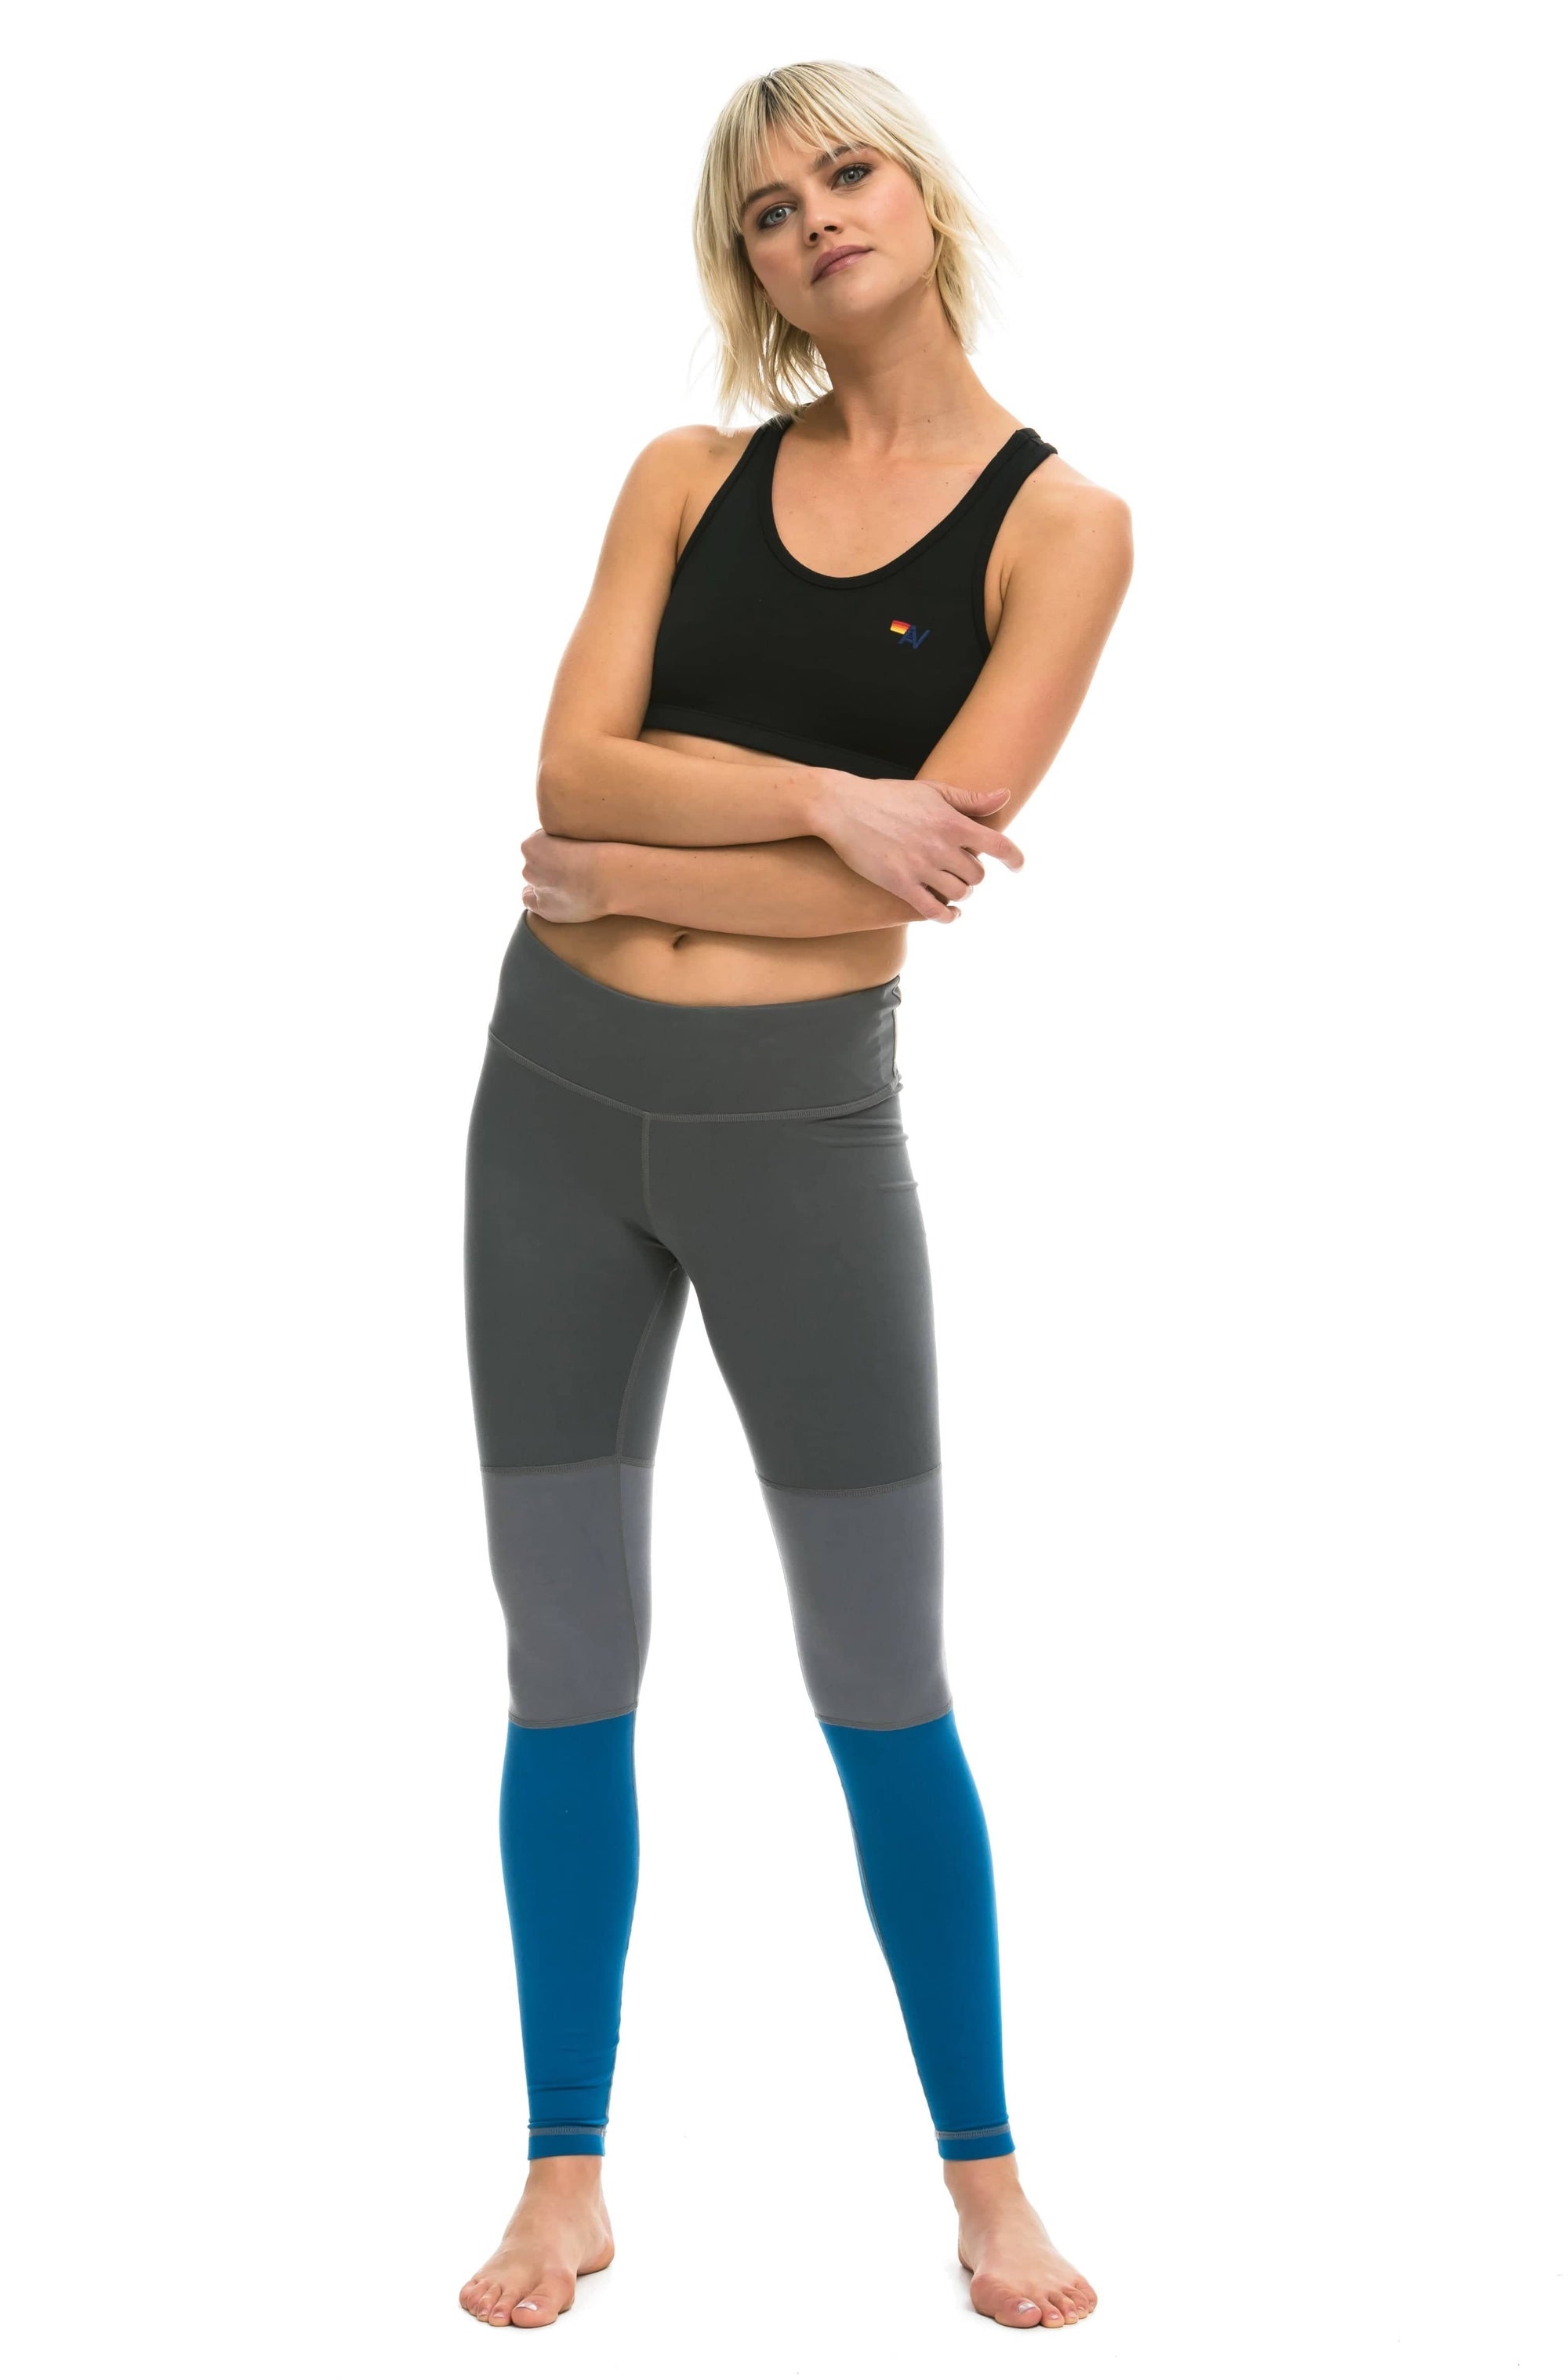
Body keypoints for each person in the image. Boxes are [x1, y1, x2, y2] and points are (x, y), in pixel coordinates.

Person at [458, 59, 1133, 2333]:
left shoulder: (1061, 526)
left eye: (845, 172)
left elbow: (924, 873)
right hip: (549, 1109)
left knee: (880, 1670)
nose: (814, 216)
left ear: (920, 197)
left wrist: (661, 854)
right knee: (566, 1657)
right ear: (744, 264)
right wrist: (833, 803)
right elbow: (563, 766)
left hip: (798, 1141)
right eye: (766, 206)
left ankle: (988, 2180)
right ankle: (563, 2174)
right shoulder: (685, 475)